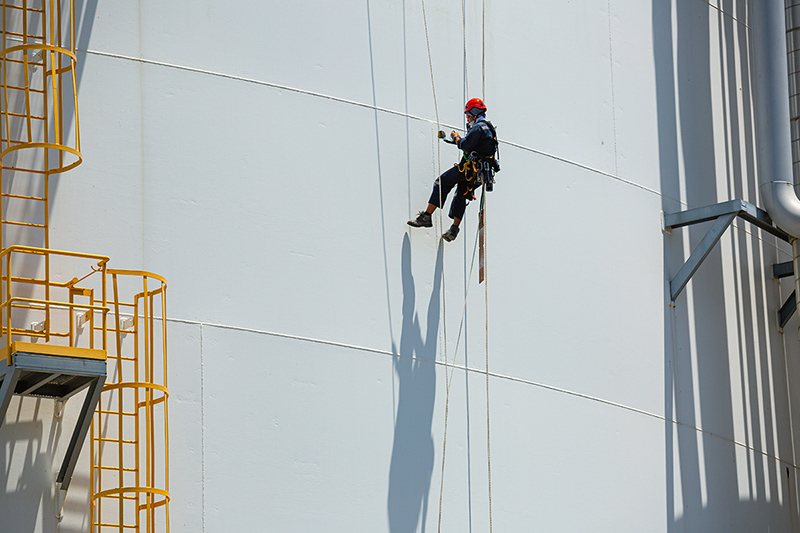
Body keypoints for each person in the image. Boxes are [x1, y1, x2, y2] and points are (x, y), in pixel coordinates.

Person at [407, 98, 498, 242]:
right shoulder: (488, 128)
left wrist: (456, 138)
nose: (467, 119)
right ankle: (454, 230)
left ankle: (426, 217)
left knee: (441, 182)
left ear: (474, 113)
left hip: (470, 169)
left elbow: (465, 145)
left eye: (468, 115)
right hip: (479, 175)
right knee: (461, 194)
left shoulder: (478, 127)